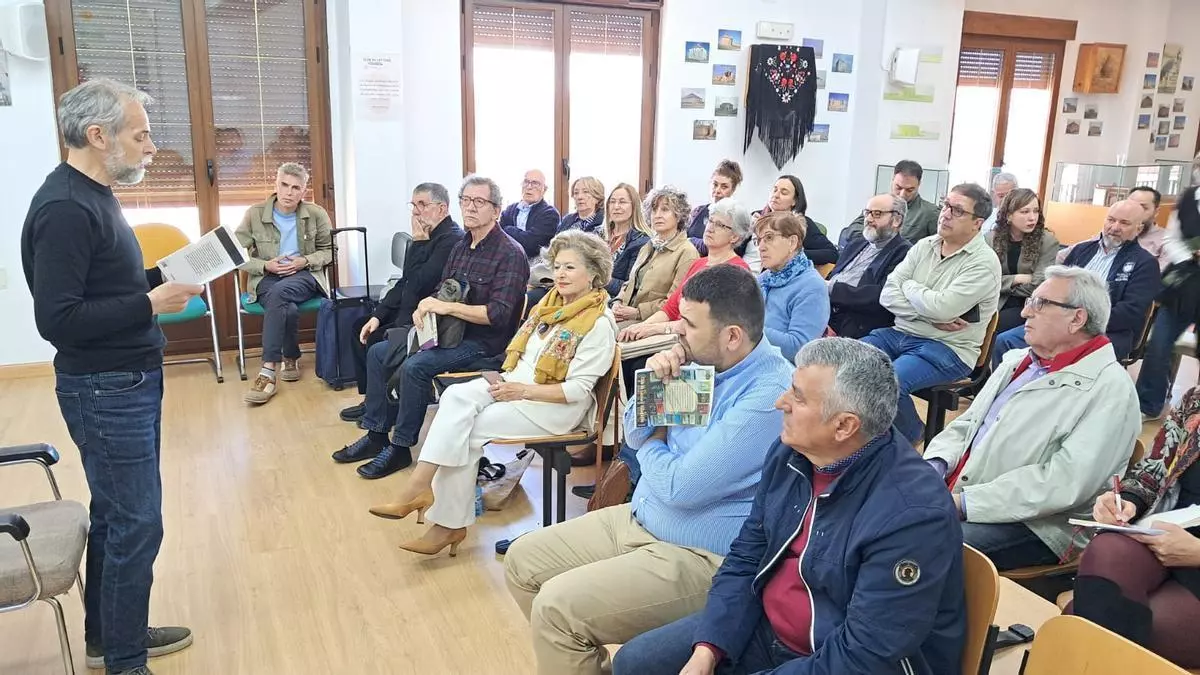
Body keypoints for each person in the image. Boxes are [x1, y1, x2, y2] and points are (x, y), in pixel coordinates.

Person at [613, 338, 966, 675]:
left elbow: (865, 656)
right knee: (637, 663)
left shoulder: (911, 514)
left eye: (797, 396)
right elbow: (746, 557)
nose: (780, 402)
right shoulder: (791, 454)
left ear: (844, 426)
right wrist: (710, 647)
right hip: (769, 630)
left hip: (841, 659)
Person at [503, 265, 793, 675]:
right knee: (522, 562)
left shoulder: (769, 394)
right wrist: (654, 385)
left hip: (699, 553)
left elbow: (679, 487)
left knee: (556, 609)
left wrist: (656, 441)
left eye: (689, 324)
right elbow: (635, 434)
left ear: (732, 336)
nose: (676, 331)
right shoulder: (701, 361)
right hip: (643, 517)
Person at [21, 78, 198, 675]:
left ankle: (109, 636)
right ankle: (125, 660)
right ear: (98, 136)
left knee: (117, 516)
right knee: (136, 523)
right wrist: (150, 303)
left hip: (126, 380)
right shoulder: (65, 209)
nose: (152, 147)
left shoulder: (96, 195)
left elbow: (104, 287)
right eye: (140, 135)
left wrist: (156, 279)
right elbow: (59, 320)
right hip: (105, 387)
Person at [366, 230, 618, 554]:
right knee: (454, 398)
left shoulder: (598, 323)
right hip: (514, 384)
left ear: (594, 273)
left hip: (553, 406)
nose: (560, 274)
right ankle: (424, 494)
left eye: (570, 267)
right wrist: (511, 385)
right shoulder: (549, 306)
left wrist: (521, 391)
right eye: (557, 267)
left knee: (467, 430)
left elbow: (578, 391)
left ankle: (443, 519)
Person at [923, 267, 1140, 570]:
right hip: (966, 491)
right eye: (1029, 302)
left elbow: (1062, 483)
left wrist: (964, 503)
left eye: (1040, 303)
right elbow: (967, 425)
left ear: (1077, 318)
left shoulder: (1111, 390)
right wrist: (934, 467)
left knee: (921, 544)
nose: (1025, 312)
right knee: (879, 511)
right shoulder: (1018, 361)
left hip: (1041, 525)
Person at [332, 175, 529, 479]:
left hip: (482, 344)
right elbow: (440, 288)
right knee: (379, 352)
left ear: (496, 210)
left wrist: (445, 307)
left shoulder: (510, 253)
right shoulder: (462, 245)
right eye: (466, 200)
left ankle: (400, 447)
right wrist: (426, 305)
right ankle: (376, 434)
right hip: (447, 332)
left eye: (479, 201)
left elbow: (498, 315)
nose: (470, 207)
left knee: (415, 366)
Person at [1069, 385, 1200, 668]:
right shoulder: (1196, 400)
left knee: (1085, 617)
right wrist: (1125, 501)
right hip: (1170, 534)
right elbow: (1152, 470)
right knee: (1107, 551)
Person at [863, 183, 1002, 444]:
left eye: (957, 210)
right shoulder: (925, 245)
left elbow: (942, 308)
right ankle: (872, 435)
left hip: (947, 347)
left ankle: (912, 433)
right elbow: (887, 295)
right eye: (945, 205)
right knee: (845, 363)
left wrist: (909, 286)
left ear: (978, 223)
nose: (945, 214)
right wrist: (929, 315)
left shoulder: (984, 262)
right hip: (901, 332)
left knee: (886, 383)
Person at [339, 183, 463, 423]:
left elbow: (419, 284)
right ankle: (371, 400)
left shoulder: (450, 239)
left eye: (422, 205)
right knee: (360, 327)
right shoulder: (426, 234)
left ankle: (385, 407)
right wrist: (378, 315)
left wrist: (418, 243)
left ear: (442, 209)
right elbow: (404, 282)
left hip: (423, 317)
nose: (416, 211)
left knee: (377, 341)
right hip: (404, 307)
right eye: (413, 205)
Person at [991, 199, 1160, 369]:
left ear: (1138, 229)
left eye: (1124, 223)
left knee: (1062, 358)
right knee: (1005, 341)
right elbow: (1054, 286)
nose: (1115, 227)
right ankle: (1012, 386)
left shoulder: (1145, 263)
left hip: (1103, 331)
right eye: (1111, 220)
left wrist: (1081, 324)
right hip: (1056, 323)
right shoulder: (1082, 250)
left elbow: (1130, 312)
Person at [235, 162, 333, 404]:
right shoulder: (254, 214)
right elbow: (234, 253)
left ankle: (268, 371)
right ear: (276, 185)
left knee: (280, 293)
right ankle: (290, 355)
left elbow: (330, 251)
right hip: (267, 276)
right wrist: (265, 266)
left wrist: (304, 261)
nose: (289, 192)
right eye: (284, 185)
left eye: (296, 188)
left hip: (304, 275)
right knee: (285, 306)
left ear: (304, 191)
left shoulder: (316, 214)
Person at [616, 197, 751, 341]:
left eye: (720, 225)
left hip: (697, 342)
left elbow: (706, 323)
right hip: (674, 334)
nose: (710, 228)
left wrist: (654, 328)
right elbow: (670, 308)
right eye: (710, 221)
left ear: (734, 237)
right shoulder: (699, 264)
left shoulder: (737, 271)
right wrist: (641, 326)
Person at [1137, 157, 1200, 421]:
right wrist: (1190, 257)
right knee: (1159, 343)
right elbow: (1172, 239)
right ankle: (1148, 404)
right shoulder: (1188, 199)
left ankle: (1194, 414)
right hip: (1183, 282)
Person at [827, 193, 912, 338]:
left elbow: (881, 296)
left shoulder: (904, 252)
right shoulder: (856, 243)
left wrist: (832, 289)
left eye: (877, 214)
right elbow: (834, 275)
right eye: (867, 212)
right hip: (826, 310)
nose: (869, 219)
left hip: (855, 323)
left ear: (896, 220)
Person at [612, 185, 700, 324]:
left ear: (679, 216)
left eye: (665, 209)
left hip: (653, 322)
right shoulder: (648, 246)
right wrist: (617, 302)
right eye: (654, 210)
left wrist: (637, 312)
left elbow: (675, 301)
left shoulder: (687, 252)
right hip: (626, 314)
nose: (657, 215)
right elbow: (629, 283)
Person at [753, 211, 830, 362]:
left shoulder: (812, 287)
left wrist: (749, 329)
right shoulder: (763, 279)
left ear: (792, 243)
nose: (761, 247)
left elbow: (799, 348)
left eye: (769, 238)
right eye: (758, 240)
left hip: (782, 368)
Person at [986, 188, 1060, 334]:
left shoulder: (1047, 242)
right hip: (992, 301)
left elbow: (1038, 285)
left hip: (1028, 304)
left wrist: (1001, 284)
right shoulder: (991, 239)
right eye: (1025, 212)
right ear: (1009, 215)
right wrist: (1016, 279)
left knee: (996, 326)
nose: (1032, 218)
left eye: (1036, 211)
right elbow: (983, 281)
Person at [1059, 186, 1168, 271]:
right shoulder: (1111, 232)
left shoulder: (1165, 240)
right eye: (1130, 205)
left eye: (1143, 207)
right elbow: (1063, 256)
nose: (1134, 211)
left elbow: (1155, 277)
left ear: (1156, 211)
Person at [840, 160, 940, 247]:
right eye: (898, 187)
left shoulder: (930, 213)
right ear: (892, 180)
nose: (902, 194)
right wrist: (874, 237)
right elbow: (852, 230)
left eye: (910, 190)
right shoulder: (879, 203)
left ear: (919, 185)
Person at [752, 174, 838, 266]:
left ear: (794, 201)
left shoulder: (801, 224)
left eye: (784, 193)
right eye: (775, 190)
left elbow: (832, 254)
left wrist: (792, 254)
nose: (776, 195)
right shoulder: (755, 216)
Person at [601, 182, 652, 297]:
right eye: (612, 202)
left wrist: (598, 278)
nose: (616, 206)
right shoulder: (597, 235)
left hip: (614, 301)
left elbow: (631, 287)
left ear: (634, 207)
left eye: (622, 202)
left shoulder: (641, 241)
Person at [499, 168, 561, 258]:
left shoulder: (550, 214)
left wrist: (508, 229)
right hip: (507, 259)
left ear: (544, 189)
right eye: (526, 182)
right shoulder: (510, 210)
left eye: (535, 183)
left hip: (534, 263)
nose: (529, 187)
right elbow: (498, 236)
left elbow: (532, 244)